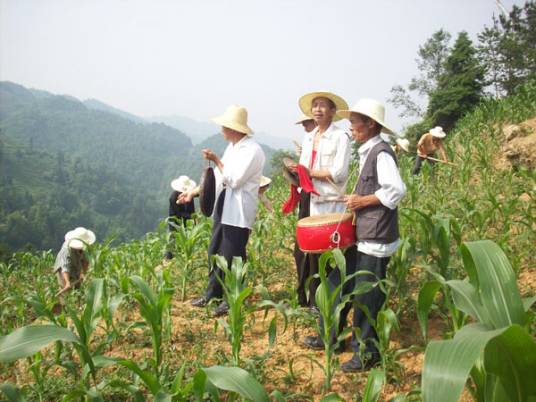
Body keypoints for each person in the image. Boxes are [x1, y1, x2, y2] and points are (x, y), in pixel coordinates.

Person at [336, 98, 406, 372]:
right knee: (355, 290)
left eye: (354, 121)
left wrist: (361, 201)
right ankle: (353, 345)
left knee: (367, 298)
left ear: (371, 124)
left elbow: (396, 190)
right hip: (368, 235)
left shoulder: (381, 153)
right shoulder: (369, 152)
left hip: (376, 239)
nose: (351, 126)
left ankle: (366, 355)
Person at [179, 105, 265, 317]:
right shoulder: (234, 147)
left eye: (224, 126)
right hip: (224, 204)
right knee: (215, 251)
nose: (221, 130)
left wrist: (217, 160)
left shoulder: (252, 151)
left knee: (233, 255)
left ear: (234, 128)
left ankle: (233, 297)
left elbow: (234, 180)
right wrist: (194, 193)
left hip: (238, 211)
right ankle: (213, 294)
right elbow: (217, 177)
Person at [288, 91, 353, 311]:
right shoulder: (309, 137)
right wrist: (298, 172)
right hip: (311, 200)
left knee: (329, 254)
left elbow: (339, 173)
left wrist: (309, 173)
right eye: (314, 105)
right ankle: (314, 301)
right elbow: (304, 167)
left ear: (333, 111)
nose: (317, 109)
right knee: (311, 253)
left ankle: (329, 302)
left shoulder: (340, 137)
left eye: (322, 105)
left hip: (330, 203)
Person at [53, 227, 96, 297]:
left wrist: (83, 273)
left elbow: (86, 261)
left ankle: (77, 304)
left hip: (76, 265)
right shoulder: (66, 250)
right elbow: (65, 267)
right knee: (64, 290)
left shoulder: (87, 247)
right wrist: (67, 282)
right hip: (62, 268)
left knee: (77, 289)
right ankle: (63, 305)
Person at [164, 175, 197, 261]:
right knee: (173, 237)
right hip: (174, 219)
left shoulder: (189, 195)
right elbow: (178, 213)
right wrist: (190, 216)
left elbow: (192, 209)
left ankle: (184, 253)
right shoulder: (173, 197)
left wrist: (194, 217)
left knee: (186, 235)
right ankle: (169, 257)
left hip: (186, 217)